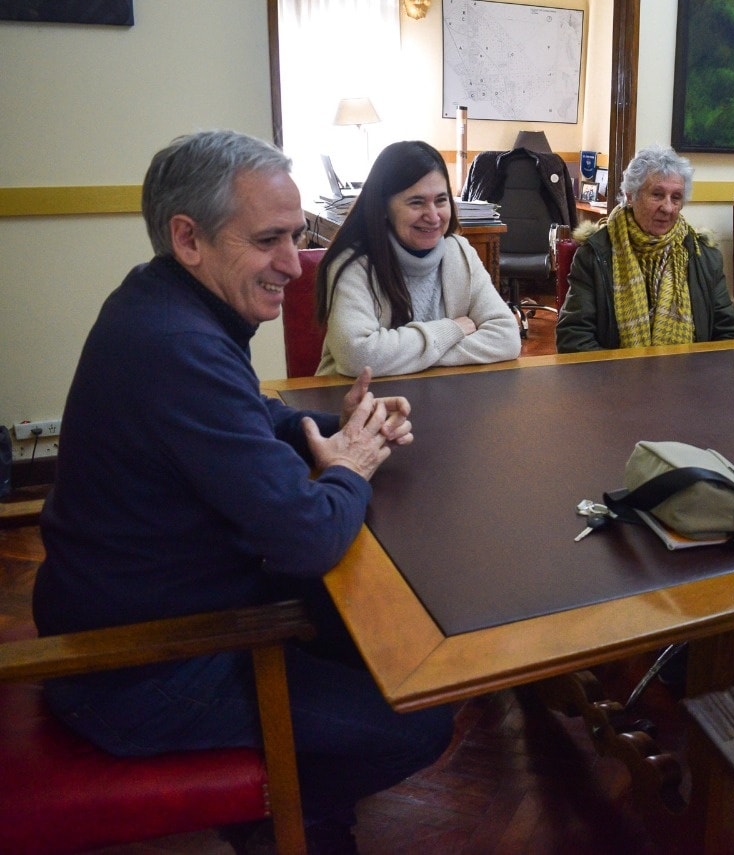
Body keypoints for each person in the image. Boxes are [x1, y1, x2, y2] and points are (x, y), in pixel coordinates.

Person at [33, 130, 455, 853]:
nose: (294, 265)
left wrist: (328, 427)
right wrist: (350, 463)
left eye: (296, 237)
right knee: (417, 719)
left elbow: (247, 414)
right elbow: (306, 535)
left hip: (136, 615)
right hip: (138, 670)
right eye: (269, 241)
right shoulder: (177, 345)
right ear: (188, 237)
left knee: (363, 631)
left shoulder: (156, 303)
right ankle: (282, 815)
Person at [315, 140, 520, 376]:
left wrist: (406, 357)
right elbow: (358, 356)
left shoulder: (460, 251)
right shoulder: (353, 263)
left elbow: (507, 338)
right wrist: (450, 330)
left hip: (442, 400)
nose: (433, 216)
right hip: (360, 404)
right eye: (416, 202)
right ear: (383, 207)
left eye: (441, 200)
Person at [555, 143, 734, 352]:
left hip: (690, 378)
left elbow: (730, 333)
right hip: (617, 380)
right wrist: (623, 380)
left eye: (676, 197)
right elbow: (574, 337)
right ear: (630, 195)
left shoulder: (703, 256)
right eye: (657, 194)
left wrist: (698, 377)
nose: (668, 208)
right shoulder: (595, 254)